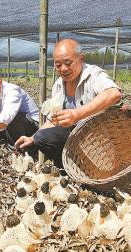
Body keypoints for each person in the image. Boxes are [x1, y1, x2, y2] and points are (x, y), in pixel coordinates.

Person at [15, 39, 122, 169]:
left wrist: (78, 114)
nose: (63, 69)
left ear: (81, 58)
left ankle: (89, 167)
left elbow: (113, 94)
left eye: (68, 62)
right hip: (75, 138)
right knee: (41, 137)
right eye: (58, 65)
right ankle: (68, 169)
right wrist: (32, 138)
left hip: (98, 138)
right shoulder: (58, 86)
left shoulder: (93, 74)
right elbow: (55, 120)